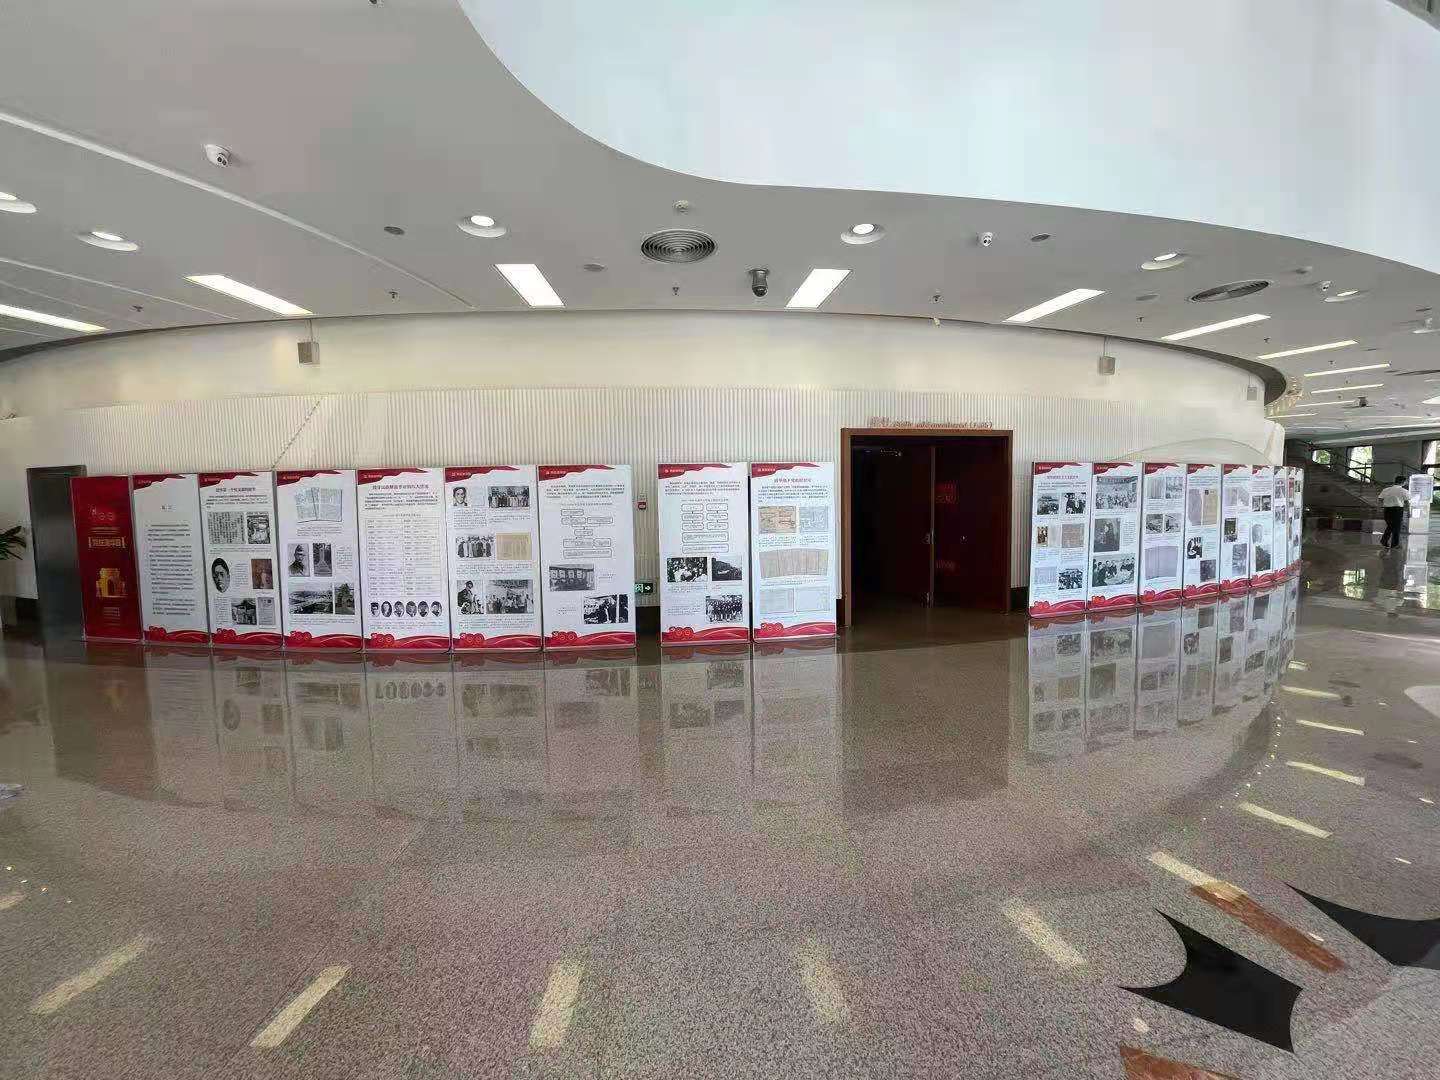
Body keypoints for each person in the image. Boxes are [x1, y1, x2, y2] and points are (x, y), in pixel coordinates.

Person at [1379, 474, 1409, 550]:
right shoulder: (1404, 491)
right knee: (1396, 527)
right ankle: (1394, 544)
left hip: (1387, 509)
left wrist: (1387, 503)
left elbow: (1380, 499)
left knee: (1390, 526)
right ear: (1403, 482)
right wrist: (1408, 510)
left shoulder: (1386, 489)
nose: (1405, 483)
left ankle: (1384, 541)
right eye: (1405, 481)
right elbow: (1406, 502)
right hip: (1397, 510)